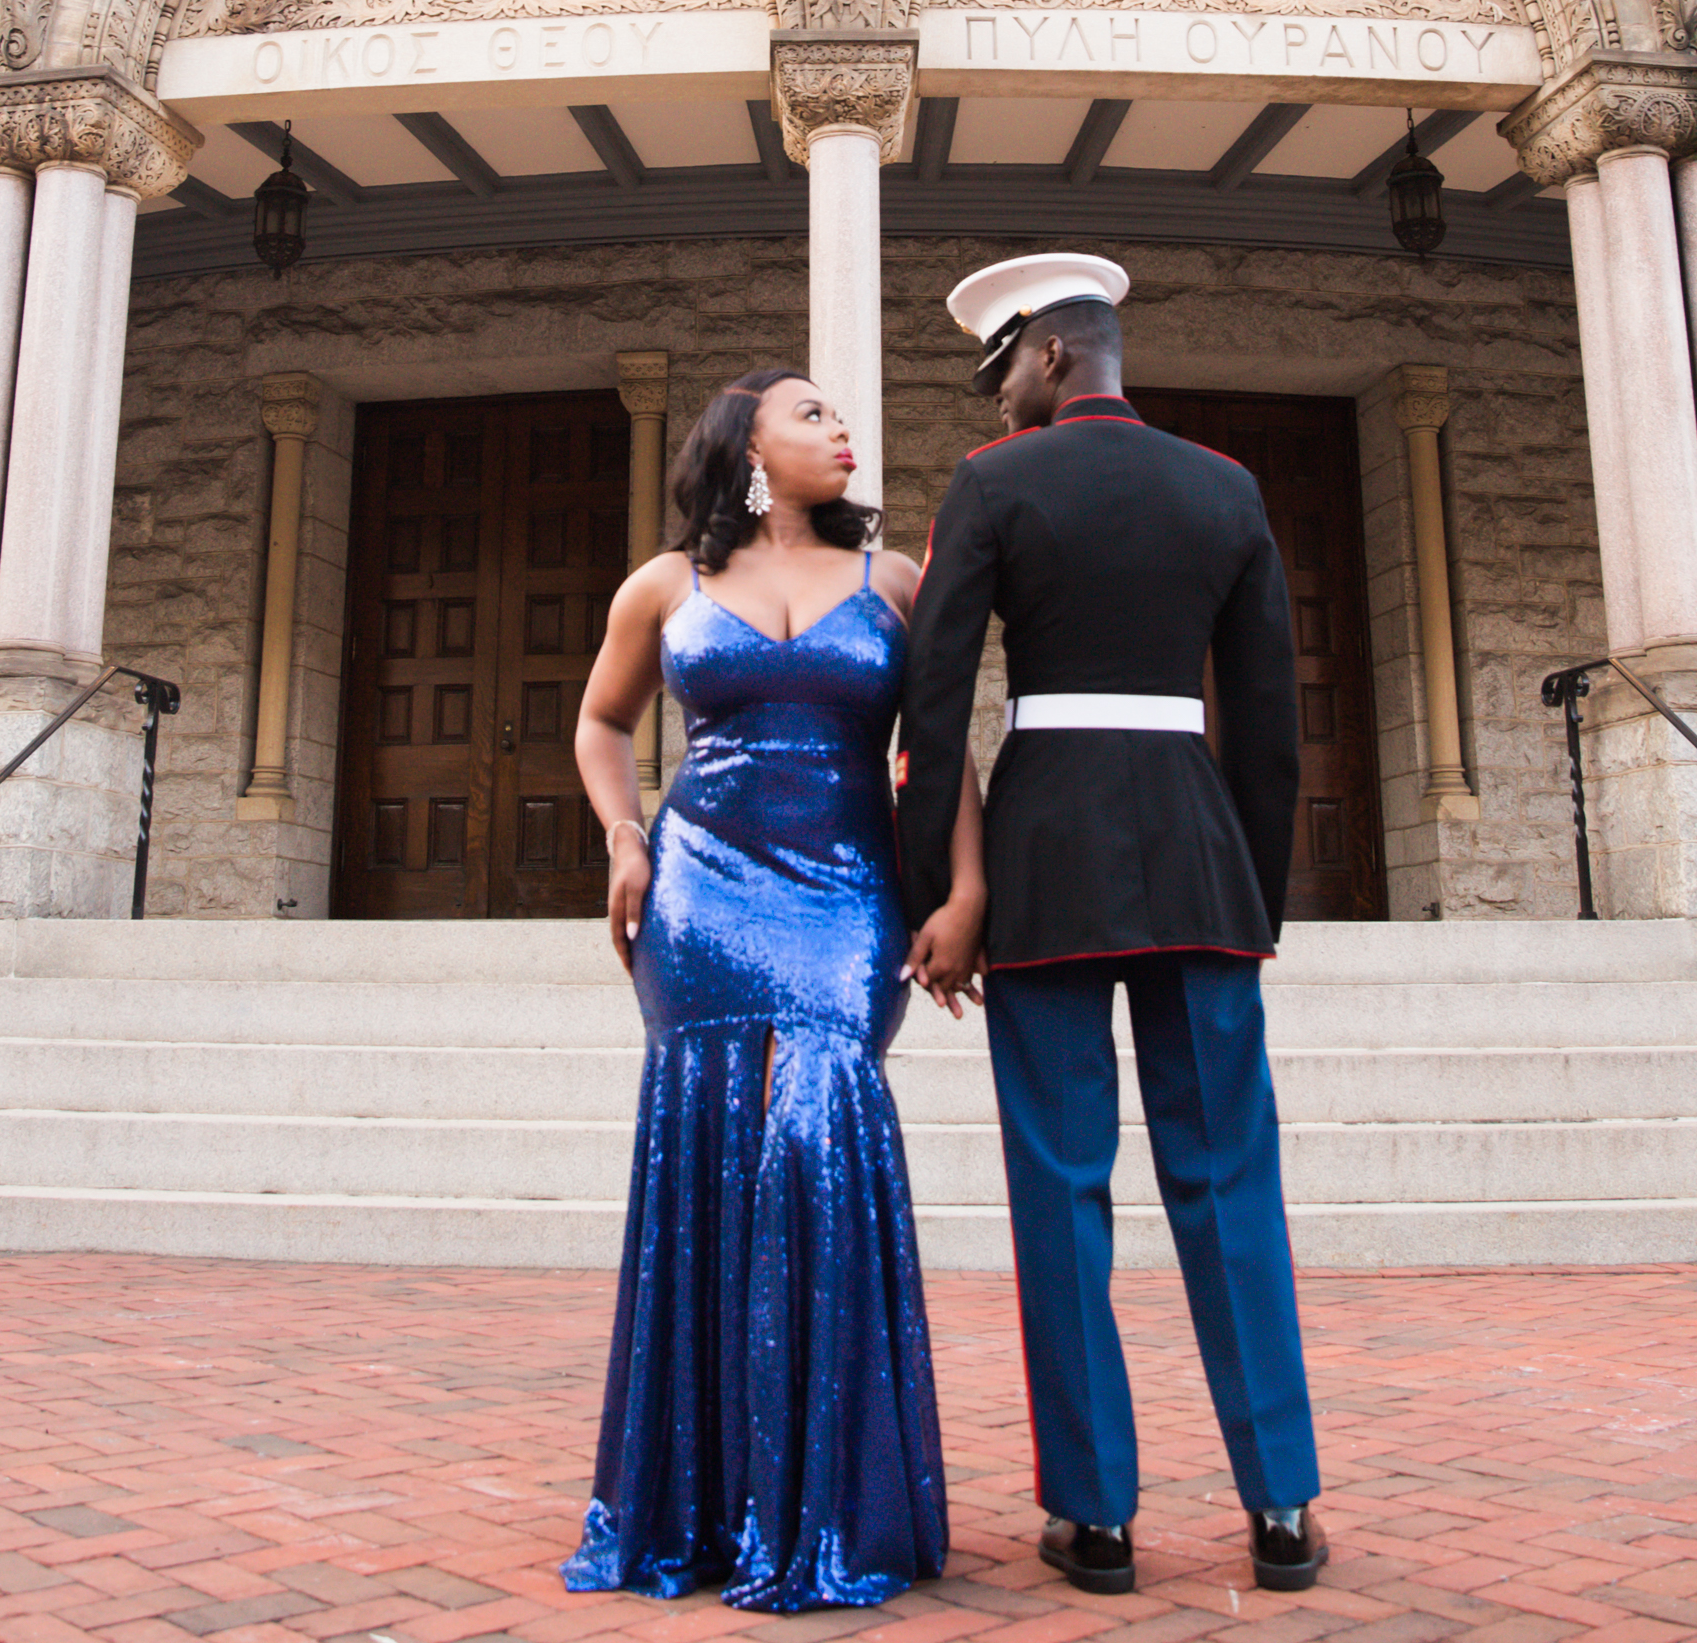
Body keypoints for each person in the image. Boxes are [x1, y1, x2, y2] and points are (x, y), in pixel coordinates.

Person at [896, 254, 1328, 1600]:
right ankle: (1280, 1505)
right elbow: (1269, 723)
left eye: (1005, 369)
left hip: (1047, 863)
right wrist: (1252, 891)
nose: (1002, 395)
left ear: (1050, 359)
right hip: (1199, 859)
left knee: (1061, 1189)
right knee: (1229, 1183)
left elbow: (934, 703)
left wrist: (935, 898)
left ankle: (1097, 1519)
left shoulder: (994, 483)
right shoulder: (1227, 487)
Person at [566, 367, 986, 1612]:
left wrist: (964, 894)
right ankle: (698, 1509)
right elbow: (600, 722)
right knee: (711, 1163)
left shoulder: (895, 588)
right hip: (699, 902)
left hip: (848, 899)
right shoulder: (665, 586)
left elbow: (943, 749)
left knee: (815, 1145)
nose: (842, 429)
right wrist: (625, 836)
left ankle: (826, 1504)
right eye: (812, 414)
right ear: (744, 446)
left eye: (843, 417)